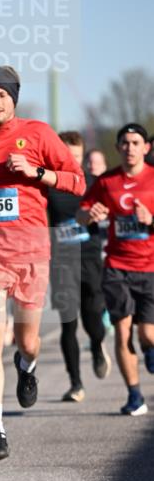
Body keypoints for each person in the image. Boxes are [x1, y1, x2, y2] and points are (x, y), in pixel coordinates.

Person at [0, 65, 84, 463]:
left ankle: (27, 364)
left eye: (2, 94)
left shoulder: (38, 133)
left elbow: (77, 181)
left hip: (31, 252)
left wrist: (38, 173)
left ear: (13, 98)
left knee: (26, 340)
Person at [77, 123, 154, 415]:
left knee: (148, 334)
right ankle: (134, 395)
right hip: (117, 266)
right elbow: (80, 214)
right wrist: (89, 214)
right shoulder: (107, 181)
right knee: (122, 333)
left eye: (136, 143)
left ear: (146, 148)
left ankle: (149, 348)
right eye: (125, 143)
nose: (130, 148)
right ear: (118, 147)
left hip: (150, 267)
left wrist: (150, 220)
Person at [48, 130, 110, 402]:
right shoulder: (48, 186)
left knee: (93, 319)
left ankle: (97, 346)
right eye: (66, 155)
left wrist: (104, 213)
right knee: (68, 324)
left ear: (83, 157)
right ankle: (75, 383)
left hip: (90, 259)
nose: (71, 160)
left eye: (76, 156)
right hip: (62, 262)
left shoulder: (95, 183)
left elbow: (112, 212)